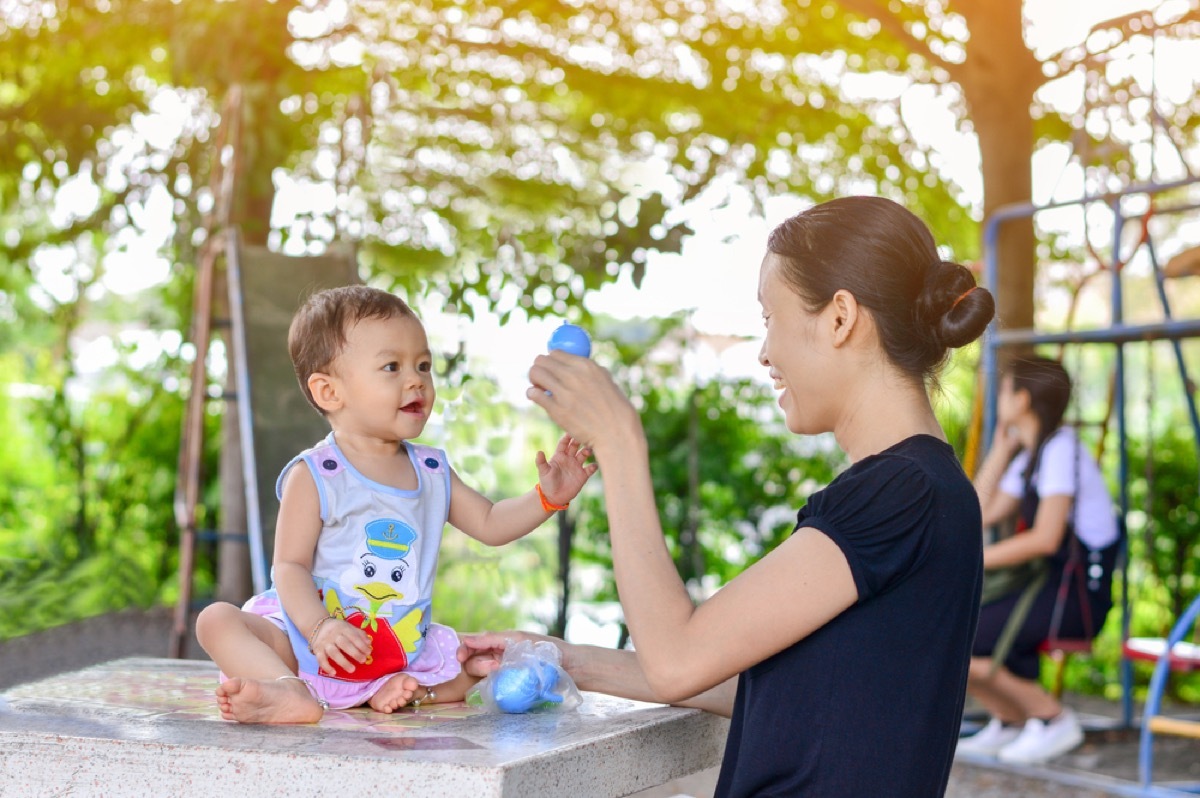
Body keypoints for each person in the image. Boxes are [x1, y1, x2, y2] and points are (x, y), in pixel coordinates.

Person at [461, 195, 996, 796]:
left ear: (840, 317)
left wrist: (618, 441)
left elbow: (676, 660)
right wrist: (559, 659)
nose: (765, 353)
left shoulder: (902, 493)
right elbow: (781, 688)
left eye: (770, 318)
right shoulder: (921, 488)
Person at [195, 285, 596, 723]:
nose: (416, 380)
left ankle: (391, 689)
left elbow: (490, 523)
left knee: (473, 664)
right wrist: (319, 628)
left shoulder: (431, 470)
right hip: (304, 643)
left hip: (394, 649)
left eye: (423, 365)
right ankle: (290, 692)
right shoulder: (316, 474)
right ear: (329, 392)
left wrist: (546, 498)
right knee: (216, 620)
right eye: (392, 366)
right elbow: (289, 566)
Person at [956, 355, 1120, 763]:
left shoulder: (1061, 449)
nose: (1000, 397)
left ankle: (1051, 719)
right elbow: (974, 513)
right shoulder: (1033, 454)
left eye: (1006, 388)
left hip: (1079, 596)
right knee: (957, 626)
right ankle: (1011, 720)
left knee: (962, 641)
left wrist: (975, 561)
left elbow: (1046, 539)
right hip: (1046, 586)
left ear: (1023, 400)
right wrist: (1000, 449)